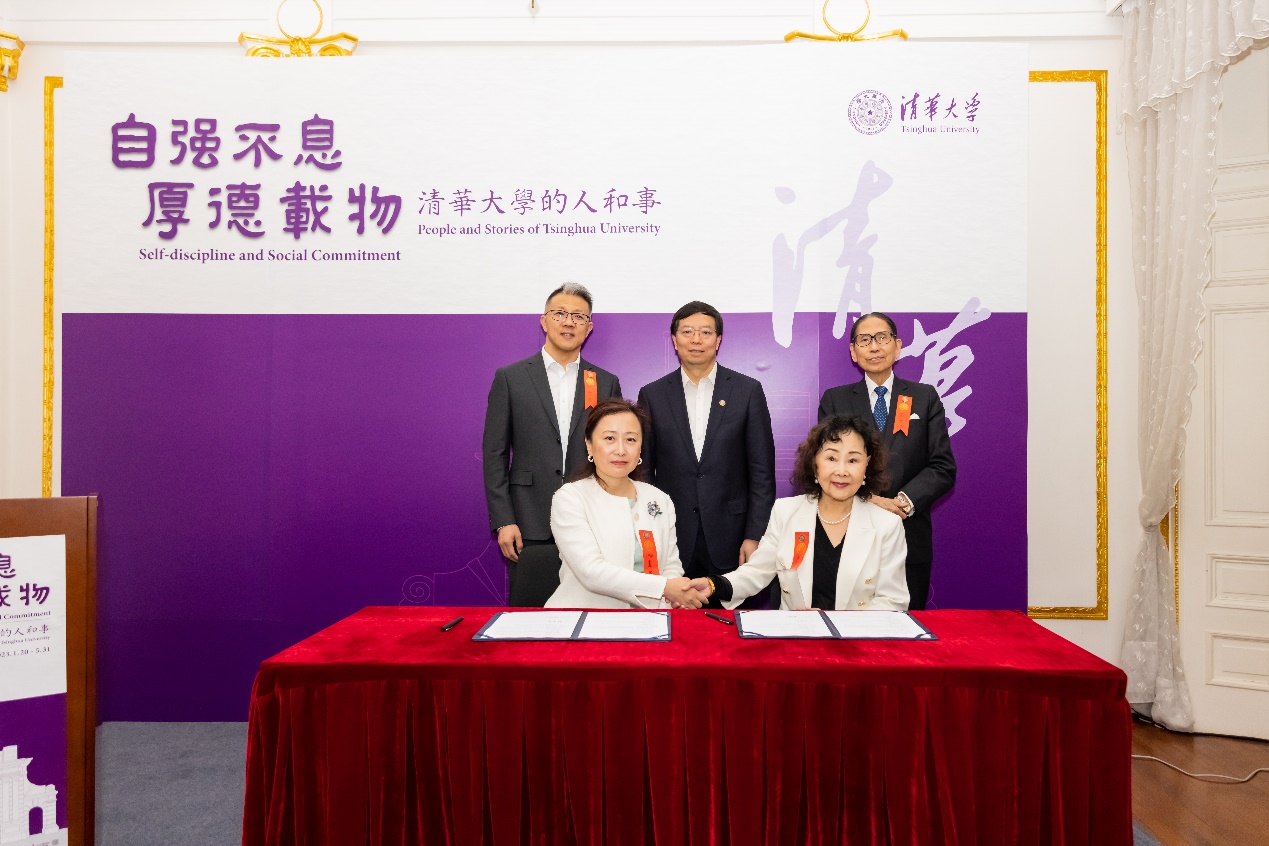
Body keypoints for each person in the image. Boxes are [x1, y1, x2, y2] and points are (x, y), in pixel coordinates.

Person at [689, 414, 907, 611]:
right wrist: (713, 585)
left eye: (853, 460)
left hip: (856, 639)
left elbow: (893, 601)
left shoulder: (887, 525)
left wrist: (835, 624)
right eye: (831, 458)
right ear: (814, 463)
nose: (841, 471)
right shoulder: (786, 512)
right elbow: (756, 572)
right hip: (796, 636)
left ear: (867, 465)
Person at [636, 301, 776, 603]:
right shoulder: (653, 394)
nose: (696, 340)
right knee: (673, 623)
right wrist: (649, 531)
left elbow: (762, 472)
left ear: (718, 340)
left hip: (732, 535)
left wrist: (754, 535)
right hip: (671, 537)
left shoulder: (747, 391)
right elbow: (643, 474)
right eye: (687, 332)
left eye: (705, 332)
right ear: (674, 340)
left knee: (728, 624)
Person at [817, 312, 955, 610]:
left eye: (882, 338)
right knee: (848, 625)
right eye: (864, 340)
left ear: (898, 345)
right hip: (849, 533)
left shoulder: (924, 397)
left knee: (906, 625)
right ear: (853, 351)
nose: (874, 347)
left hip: (909, 533)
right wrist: (870, 499)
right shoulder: (835, 400)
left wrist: (902, 503)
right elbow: (828, 467)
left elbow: (942, 466)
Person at [482, 283, 623, 572]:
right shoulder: (511, 378)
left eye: (578, 316)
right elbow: (495, 453)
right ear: (544, 321)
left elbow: (615, 454)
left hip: (591, 518)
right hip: (528, 519)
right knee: (531, 598)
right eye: (559, 314)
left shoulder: (606, 382)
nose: (569, 322)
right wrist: (504, 519)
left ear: (589, 328)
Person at [546, 399, 703, 609]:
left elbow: (671, 566)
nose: (620, 450)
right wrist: (665, 588)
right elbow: (592, 573)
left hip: (651, 620)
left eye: (631, 439)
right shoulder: (570, 498)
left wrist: (676, 598)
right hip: (585, 619)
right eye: (609, 438)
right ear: (589, 444)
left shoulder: (659, 498)